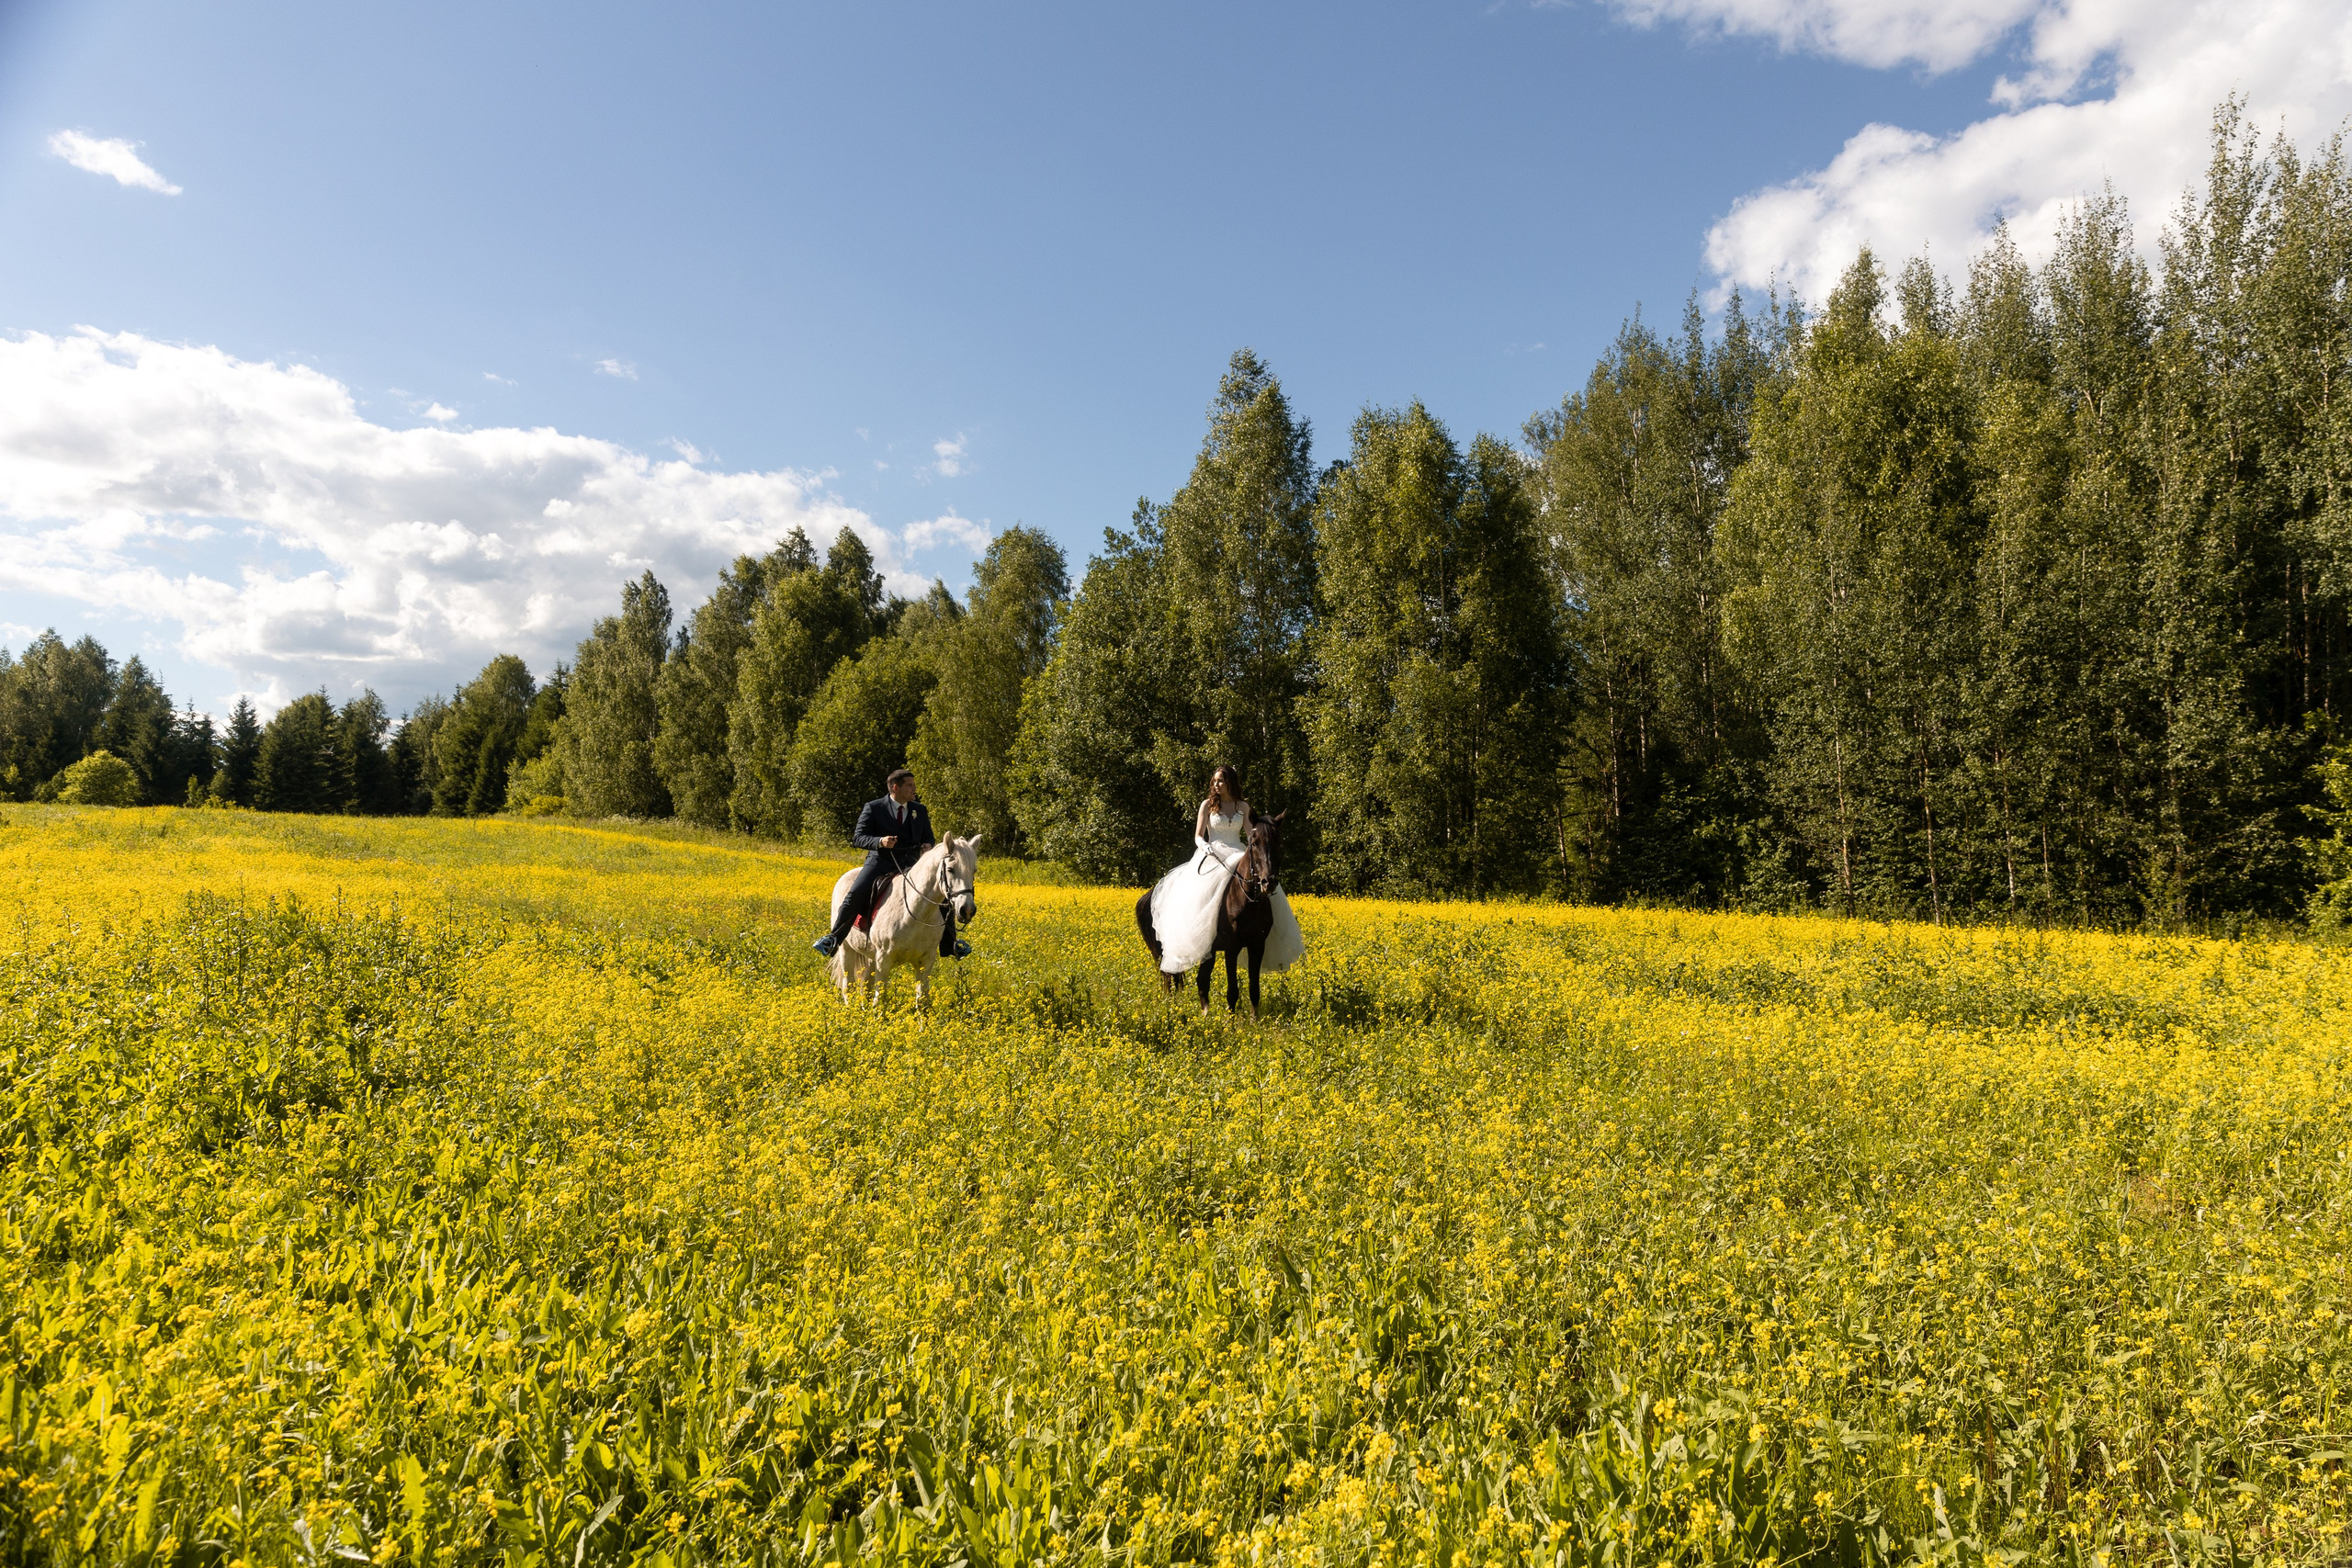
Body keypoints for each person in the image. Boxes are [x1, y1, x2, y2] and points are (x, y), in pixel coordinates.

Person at [1144, 762, 1304, 976]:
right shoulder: (1207, 805)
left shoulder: (1243, 807)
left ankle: (1265, 929)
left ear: (1230, 782)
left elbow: (1251, 836)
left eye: (1221, 780)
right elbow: (1198, 835)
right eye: (1215, 781)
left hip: (1237, 852)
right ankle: (1207, 932)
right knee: (1201, 893)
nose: (1216, 784)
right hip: (1211, 852)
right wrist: (1204, 846)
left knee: (1260, 884)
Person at [813, 767, 969, 960]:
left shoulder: (919, 810)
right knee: (855, 893)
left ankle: (951, 944)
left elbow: (927, 835)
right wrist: (880, 842)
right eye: (910, 786)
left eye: (914, 785)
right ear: (895, 787)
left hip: (912, 866)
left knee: (943, 896)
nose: (915, 789)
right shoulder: (874, 807)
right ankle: (833, 938)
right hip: (881, 863)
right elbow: (858, 838)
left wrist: (927, 845)